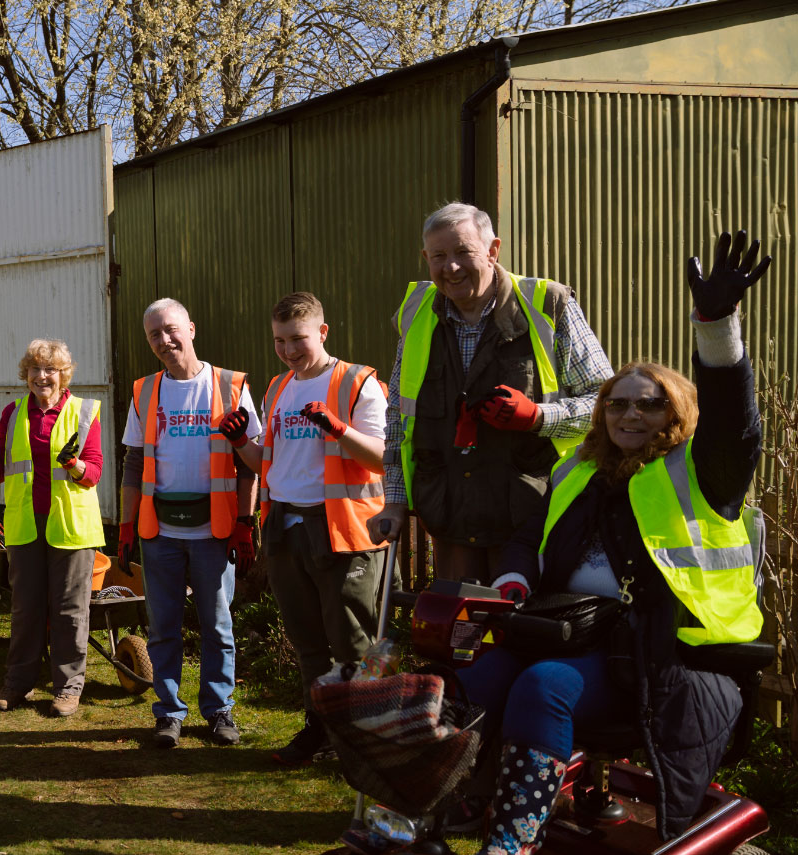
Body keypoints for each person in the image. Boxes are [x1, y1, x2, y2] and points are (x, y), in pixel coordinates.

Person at [427, 232, 768, 855]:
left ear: (675, 413)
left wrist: (716, 328)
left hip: (665, 659)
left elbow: (735, 423)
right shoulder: (576, 469)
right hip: (572, 636)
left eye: (649, 403)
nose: (630, 412)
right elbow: (528, 535)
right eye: (618, 402)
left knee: (544, 686)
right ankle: (424, 821)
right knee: (465, 678)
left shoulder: (703, 474)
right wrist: (514, 579)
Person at [369, 202, 613, 581]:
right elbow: (399, 418)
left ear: (493, 250)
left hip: (534, 521)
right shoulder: (416, 315)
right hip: (449, 519)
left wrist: (538, 417)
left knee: (521, 634)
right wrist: (396, 501)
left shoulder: (547, 305)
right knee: (457, 632)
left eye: (463, 251)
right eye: (439, 256)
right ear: (425, 258)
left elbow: (606, 403)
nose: (451, 267)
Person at [225, 293, 388, 765]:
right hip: (285, 528)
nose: (289, 350)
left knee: (354, 643)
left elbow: (382, 458)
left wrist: (338, 429)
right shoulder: (277, 388)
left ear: (322, 332)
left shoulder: (358, 383)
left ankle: (366, 743)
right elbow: (267, 464)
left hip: (341, 532)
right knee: (308, 643)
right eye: (279, 340)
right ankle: (318, 731)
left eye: (298, 338)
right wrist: (240, 441)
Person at [119, 298, 260, 748]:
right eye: (154, 334)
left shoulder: (230, 386)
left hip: (214, 532)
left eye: (171, 329)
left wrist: (245, 521)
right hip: (158, 532)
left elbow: (249, 464)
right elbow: (132, 463)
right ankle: (169, 713)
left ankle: (219, 711)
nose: (164, 340)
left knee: (218, 626)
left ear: (192, 329)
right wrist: (125, 527)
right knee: (163, 628)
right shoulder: (144, 391)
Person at [0, 339, 104, 716]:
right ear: (26, 374)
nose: (42, 376)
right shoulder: (13, 412)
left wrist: (73, 465)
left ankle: (68, 688)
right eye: (35, 369)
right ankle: (18, 683)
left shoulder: (84, 412)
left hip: (70, 526)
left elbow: (94, 472)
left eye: (50, 369)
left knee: (70, 610)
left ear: (63, 374)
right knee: (25, 608)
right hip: (26, 526)